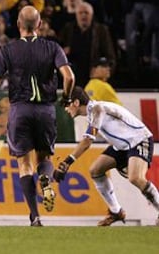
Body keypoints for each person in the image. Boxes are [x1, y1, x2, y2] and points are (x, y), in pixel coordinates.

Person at [0, 5, 75, 226]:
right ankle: (45, 179)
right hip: (45, 109)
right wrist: (66, 97)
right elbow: (69, 77)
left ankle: (35, 215)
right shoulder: (52, 47)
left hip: (20, 110)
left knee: (24, 165)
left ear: (17, 25)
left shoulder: (8, 49)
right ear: (39, 24)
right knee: (44, 159)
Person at [53, 86, 159, 226]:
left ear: (76, 103)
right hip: (122, 147)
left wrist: (67, 162)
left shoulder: (97, 109)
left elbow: (87, 142)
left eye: (67, 105)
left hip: (139, 140)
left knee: (135, 178)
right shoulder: (94, 111)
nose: (66, 109)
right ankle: (116, 211)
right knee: (95, 170)